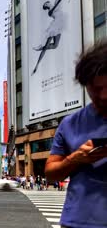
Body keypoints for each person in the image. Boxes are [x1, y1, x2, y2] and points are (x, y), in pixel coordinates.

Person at [45, 41, 107, 228]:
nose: (103, 96)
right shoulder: (70, 124)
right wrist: (76, 159)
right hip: (77, 221)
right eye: (96, 89)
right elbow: (50, 174)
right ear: (85, 85)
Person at [31, 0, 73, 76]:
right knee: (47, 47)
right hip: (55, 26)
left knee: (55, 46)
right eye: (47, 4)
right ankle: (38, 62)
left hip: (60, 24)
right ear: (47, 6)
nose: (49, 3)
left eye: (48, 2)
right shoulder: (50, 11)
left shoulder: (54, 5)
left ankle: (41, 47)